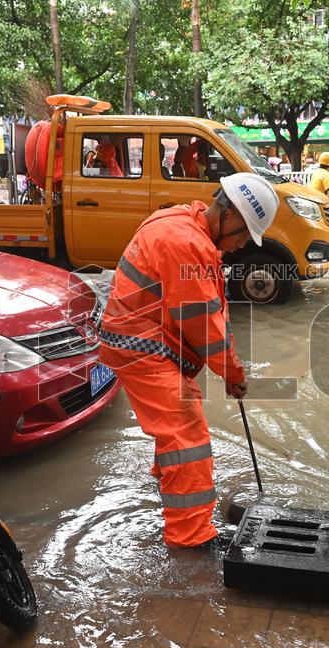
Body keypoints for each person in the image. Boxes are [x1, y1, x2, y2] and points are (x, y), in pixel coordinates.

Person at [99, 173, 279, 549]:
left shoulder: (187, 223)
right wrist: (232, 374)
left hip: (147, 339)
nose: (241, 246)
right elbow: (204, 324)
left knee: (180, 416)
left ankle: (166, 477)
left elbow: (212, 310)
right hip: (143, 346)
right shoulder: (185, 243)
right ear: (229, 216)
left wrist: (230, 368)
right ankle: (191, 538)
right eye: (243, 236)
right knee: (188, 435)